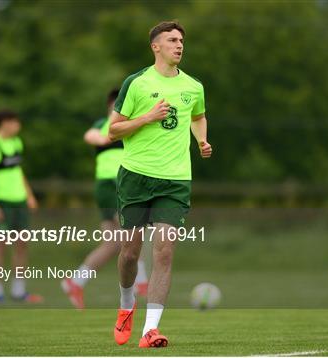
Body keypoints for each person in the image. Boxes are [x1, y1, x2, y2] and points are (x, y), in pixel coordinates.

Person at [108, 21, 212, 348]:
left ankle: (149, 330)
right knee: (129, 253)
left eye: (181, 40)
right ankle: (126, 307)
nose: (179, 45)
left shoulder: (193, 86)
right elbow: (113, 130)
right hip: (136, 176)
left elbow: (197, 116)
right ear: (156, 46)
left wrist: (202, 139)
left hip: (176, 179)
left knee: (164, 251)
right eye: (172, 40)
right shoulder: (136, 84)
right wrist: (146, 118)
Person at [61, 89, 148, 309]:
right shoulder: (107, 122)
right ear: (112, 104)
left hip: (120, 183)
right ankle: (141, 282)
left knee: (112, 243)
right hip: (112, 183)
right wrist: (108, 133)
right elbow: (91, 137)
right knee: (132, 231)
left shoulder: (131, 123)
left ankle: (75, 281)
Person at [0, 109, 42, 303]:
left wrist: (29, 194)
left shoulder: (16, 143)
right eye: (14, 122)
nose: (18, 126)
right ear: (4, 123)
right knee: (0, 246)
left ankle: (18, 291)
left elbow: (17, 171)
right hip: (2, 202)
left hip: (19, 202)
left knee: (22, 245)